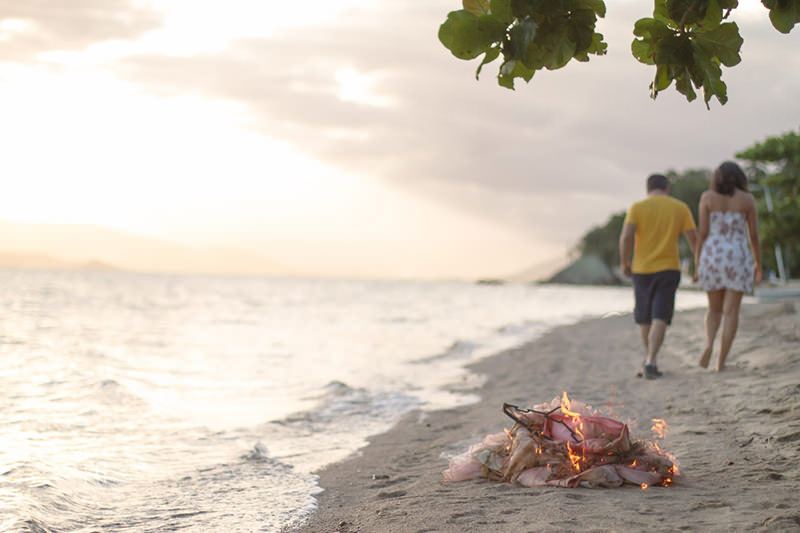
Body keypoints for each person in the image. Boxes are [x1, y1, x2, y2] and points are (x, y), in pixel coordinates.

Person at [619, 174, 697, 379]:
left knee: (644, 318)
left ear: (648, 189)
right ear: (667, 188)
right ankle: (651, 360)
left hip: (641, 268)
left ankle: (650, 360)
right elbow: (693, 238)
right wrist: (699, 265)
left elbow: (626, 236)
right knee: (660, 315)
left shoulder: (637, 207)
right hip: (668, 268)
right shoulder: (680, 207)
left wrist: (624, 262)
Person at [694, 161, 762, 371]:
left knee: (713, 310)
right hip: (737, 256)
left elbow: (702, 233)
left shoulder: (707, 198)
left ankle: (708, 344)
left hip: (712, 255)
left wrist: (697, 263)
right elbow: (753, 235)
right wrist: (758, 262)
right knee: (731, 312)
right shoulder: (747, 199)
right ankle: (721, 362)